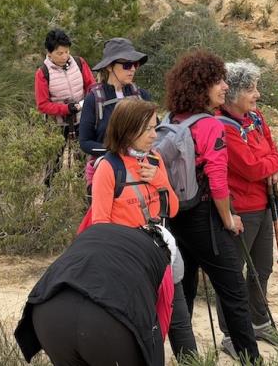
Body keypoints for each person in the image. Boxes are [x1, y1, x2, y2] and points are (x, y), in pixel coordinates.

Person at [162, 49, 260, 363]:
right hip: (205, 218)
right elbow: (218, 181)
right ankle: (250, 358)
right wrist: (228, 219)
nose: (225, 87)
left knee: (185, 288)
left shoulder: (171, 119)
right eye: (218, 81)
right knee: (234, 291)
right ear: (201, 86)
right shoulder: (211, 125)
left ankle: (187, 358)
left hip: (176, 216)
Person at [89, 99, 198, 360]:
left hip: (161, 255)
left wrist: (160, 181)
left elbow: (172, 209)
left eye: (154, 127)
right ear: (128, 129)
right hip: (130, 264)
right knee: (145, 330)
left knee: (180, 322)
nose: (154, 135)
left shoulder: (154, 159)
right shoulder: (108, 168)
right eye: (147, 128)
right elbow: (100, 225)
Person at [214, 60, 278, 358]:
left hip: (263, 203)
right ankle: (230, 334)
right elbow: (250, 167)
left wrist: (274, 163)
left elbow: (269, 150)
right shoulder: (223, 126)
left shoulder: (255, 118)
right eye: (250, 89)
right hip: (239, 209)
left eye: (256, 87)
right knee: (233, 273)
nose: (257, 94)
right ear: (232, 93)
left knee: (262, 267)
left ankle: (259, 322)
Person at [15, 222, 172, 366]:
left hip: (49, 313)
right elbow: (162, 322)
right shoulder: (163, 260)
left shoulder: (97, 231)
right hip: (107, 327)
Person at [78, 37, 152, 159]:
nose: (133, 69)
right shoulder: (93, 99)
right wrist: (116, 152)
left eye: (135, 64)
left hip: (139, 166)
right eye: (127, 65)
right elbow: (85, 142)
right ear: (109, 66)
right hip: (108, 166)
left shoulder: (142, 96)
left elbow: (155, 131)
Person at [34, 28, 96, 137]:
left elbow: (92, 86)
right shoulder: (43, 73)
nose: (64, 57)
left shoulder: (79, 63)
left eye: (67, 52)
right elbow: (42, 105)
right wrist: (66, 109)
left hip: (85, 120)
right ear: (49, 53)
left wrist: (87, 101)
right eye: (59, 53)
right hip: (59, 128)